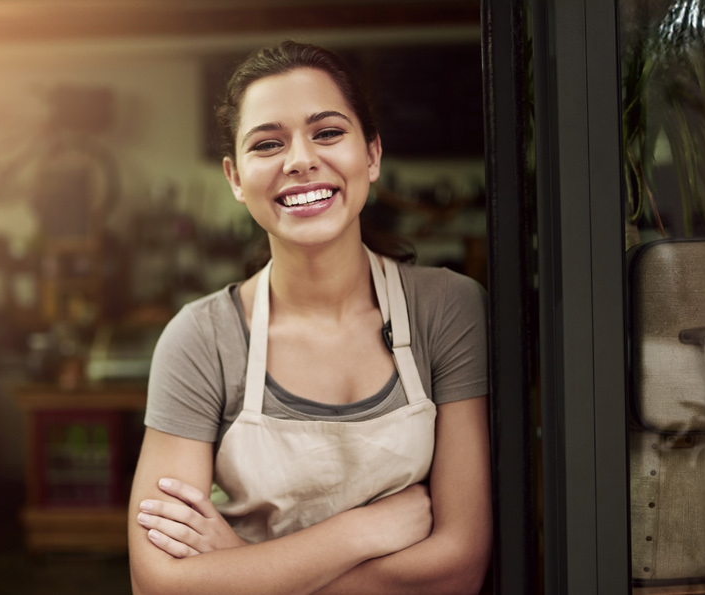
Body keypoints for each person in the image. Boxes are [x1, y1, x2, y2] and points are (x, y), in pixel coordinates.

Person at [127, 41, 492, 595]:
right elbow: (157, 584)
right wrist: (362, 531)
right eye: (268, 143)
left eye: (327, 133)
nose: (299, 160)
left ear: (371, 155)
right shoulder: (202, 339)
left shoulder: (447, 310)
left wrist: (244, 567)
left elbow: (460, 567)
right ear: (234, 177)